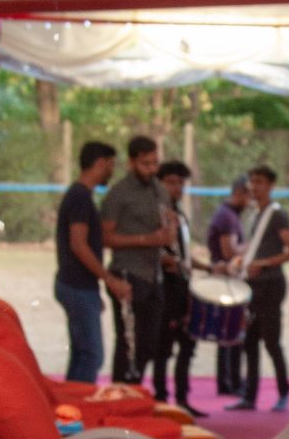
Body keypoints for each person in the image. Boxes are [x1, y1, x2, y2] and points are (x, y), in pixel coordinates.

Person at [54, 142, 127, 383]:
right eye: (111, 166)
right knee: (92, 355)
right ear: (100, 163)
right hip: (77, 285)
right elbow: (79, 244)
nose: (111, 172)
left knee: (82, 353)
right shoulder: (80, 198)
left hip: (80, 285)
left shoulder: (81, 196)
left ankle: (70, 407)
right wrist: (109, 279)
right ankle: (79, 409)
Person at [102, 136, 172, 387]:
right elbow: (106, 237)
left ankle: (135, 388)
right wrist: (145, 239)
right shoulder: (119, 194)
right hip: (127, 273)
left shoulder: (160, 189)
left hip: (153, 275)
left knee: (150, 342)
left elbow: (167, 226)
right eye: (145, 164)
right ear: (131, 162)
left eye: (154, 163)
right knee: (128, 342)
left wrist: (168, 231)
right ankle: (121, 394)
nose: (152, 169)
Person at [229, 164, 289, 411]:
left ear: (270, 186)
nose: (255, 187)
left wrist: (264, 263)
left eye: (260, 182)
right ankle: (250, 396)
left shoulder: (276, 215)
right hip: (254, 285)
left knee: (271, 342)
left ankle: (284, 391)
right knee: (250, 341)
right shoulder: (256, 215)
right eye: (253, 182)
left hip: (270, 285)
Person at [152, 161, 198, 411]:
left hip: (182, 285)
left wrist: (210, 267)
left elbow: (185, 257)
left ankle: (182, 398)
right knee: (164, 345)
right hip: (164, 287)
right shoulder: (155, 214)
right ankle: (160, 396)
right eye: (171, 181)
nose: (177, 187)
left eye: (181, 182)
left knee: (188, 343)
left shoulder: (180, 216)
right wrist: (163, 259)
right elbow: (151, 250)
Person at [206, 175, 250, 396]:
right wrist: (250, 247)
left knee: (230, 332)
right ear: (240, 193)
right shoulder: (228, 217)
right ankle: (229, 381)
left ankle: (229, 380)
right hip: (225, 281)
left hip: (226, 279)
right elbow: (228, 251)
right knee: (230, 332)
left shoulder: (228, 215)